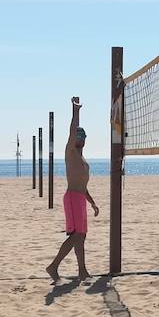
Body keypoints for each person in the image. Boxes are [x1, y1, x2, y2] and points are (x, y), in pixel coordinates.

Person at [46, 96, 99, 283]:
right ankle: (53, 267)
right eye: (78, 136)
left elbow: (84, 187)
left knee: (81, 237)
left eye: (82, 136)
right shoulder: (71, 152)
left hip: (80, 198)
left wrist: (92, 204)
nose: (80, 138)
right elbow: (72, 129)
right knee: (76, 235)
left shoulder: (84, 161)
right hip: (71, 197)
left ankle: (82, 271)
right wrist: (76, 111)